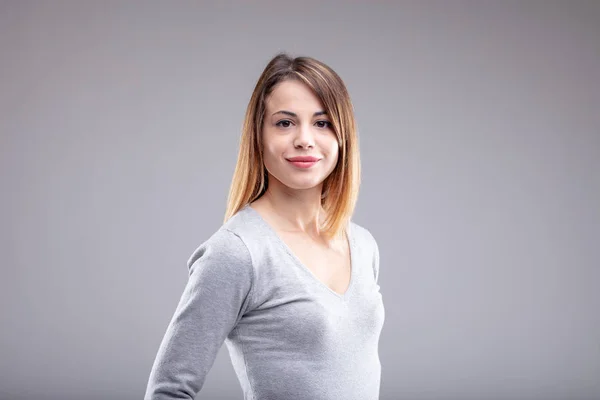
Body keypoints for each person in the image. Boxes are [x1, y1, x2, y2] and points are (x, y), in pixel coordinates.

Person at [144, 52, 385, 400]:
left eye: (322, 123)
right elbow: (168, 390)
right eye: (285, 123)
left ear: (343, 136)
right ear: (258, 135)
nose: (305, 139)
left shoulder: (363, 245)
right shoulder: (237, 252)